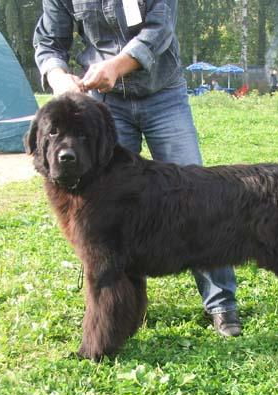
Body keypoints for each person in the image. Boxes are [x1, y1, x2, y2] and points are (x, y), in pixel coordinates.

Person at [33, 0, 241, 336]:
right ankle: (120, 308)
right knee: (107, 212)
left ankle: (221, 303)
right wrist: (59, 78)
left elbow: (159, 29)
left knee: (198, 196)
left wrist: (116, 66)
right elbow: (48, 42)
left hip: (162, 94)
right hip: (104, 105)